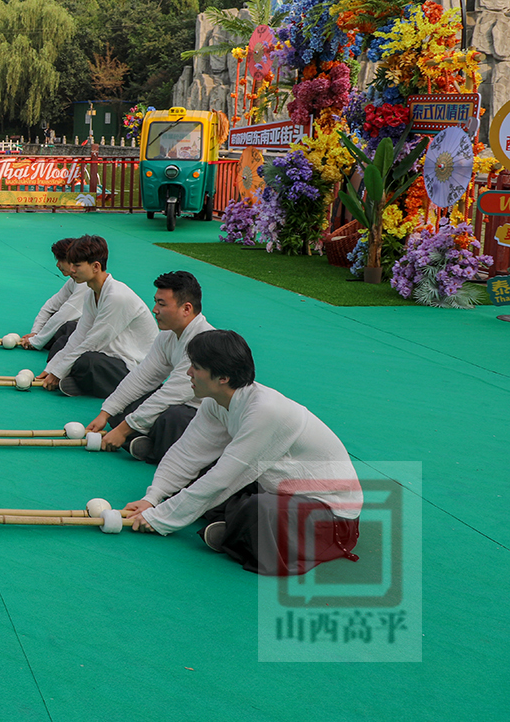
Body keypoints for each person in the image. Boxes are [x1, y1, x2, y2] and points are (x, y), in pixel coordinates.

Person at [124, 330, 362, 576]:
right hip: (277, 488)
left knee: (259, 507)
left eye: (196, 367)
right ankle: (238, 530)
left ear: (223, 378)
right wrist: (152, 498)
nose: (188, 373)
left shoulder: (265, 411)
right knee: (205, 473)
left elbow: (224, 478)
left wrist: (159, 519)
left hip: (332, 515)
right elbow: (186, 454)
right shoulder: (215, 401)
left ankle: (238, 530)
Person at [83, 270, 213, 462]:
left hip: (200, 415)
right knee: (124, 408)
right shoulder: (167, 335)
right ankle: (148, 442)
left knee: (173, 418)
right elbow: (143, 377)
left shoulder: (204, 343)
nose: (154, 309)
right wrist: (106, 413)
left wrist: (122, 430)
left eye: (162, 304)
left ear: (186, 308)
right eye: (155, 302)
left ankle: (151, 447)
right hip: (177, 406)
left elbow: (172, 394)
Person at [36, 235, 158, 398]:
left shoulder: (116, 297)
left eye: (77, 265)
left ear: (95, 266)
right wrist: (51, 369)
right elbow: (79, 336)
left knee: (86, 360)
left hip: (134, 367)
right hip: (111, 355)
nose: (72, 270)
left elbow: (94, 341)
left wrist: (58, 373)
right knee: (65, 342)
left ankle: (86, 384)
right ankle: (84, 383)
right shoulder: (91, 293)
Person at [17, 237, 87, 351]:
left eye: (61, 260)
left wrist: (36, 341)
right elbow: (50, 306)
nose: (57, 265)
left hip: (94, 334)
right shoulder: (73, 281)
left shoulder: (85, 284)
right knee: (54, 322)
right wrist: (35, 332)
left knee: (66, 327)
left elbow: (64, 315)